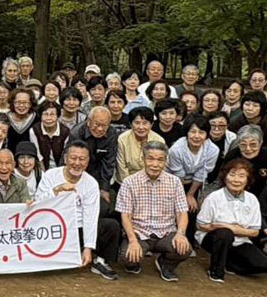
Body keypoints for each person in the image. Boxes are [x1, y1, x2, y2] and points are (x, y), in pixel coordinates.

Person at [35, 140, 121, 280]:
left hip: (78, 228)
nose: (77, 163)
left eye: (82, 159)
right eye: (73, 158)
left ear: (87, 161)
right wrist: (57, 190)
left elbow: (90, 216)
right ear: (65, 158)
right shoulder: (50, 175)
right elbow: (38, 206)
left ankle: (99, 261)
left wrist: (88, 248)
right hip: (54, 228)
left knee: (111, 225)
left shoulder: (91, 183)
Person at [116, 143, 191, 281]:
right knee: (127, 257)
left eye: (160, 159)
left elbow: (182, 212)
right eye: (150, 159)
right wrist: (132, 240)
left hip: (166, 232)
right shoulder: (129, 182)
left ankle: (165, 264)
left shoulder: (174, 182)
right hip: (139, 232)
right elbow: (125, 215)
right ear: (143, 159)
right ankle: (134, 264)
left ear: (165, 161)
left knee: (184, 249)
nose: (155, 164)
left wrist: (181, 234)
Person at [196, 158, 267, 283]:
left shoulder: (252, 199)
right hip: (213, 238)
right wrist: (223, 228)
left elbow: (254, 232)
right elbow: (201, 225)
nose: (236, 180)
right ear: (225, 177)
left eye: (241, 176)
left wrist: (233, 228)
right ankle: (215, 271)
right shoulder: (214, 197)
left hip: (240, 241)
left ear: (248, 179)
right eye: (232, 175)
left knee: (264, 264)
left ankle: (228, 264)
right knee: (225, 234)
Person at [116, 107, 164, 184]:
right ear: (131, 124)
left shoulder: (159, 140)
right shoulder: (123, 139)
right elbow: (122, 168)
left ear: (151, 124)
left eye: (145, 123)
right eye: (137, 123)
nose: (141, 127)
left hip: (152, 181)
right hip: (126, 182)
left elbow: (161, 166)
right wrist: (130, 185)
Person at [236, 125, 267, 197]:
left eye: (253, 144)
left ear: (260, 143)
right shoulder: (232, 156)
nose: (248, 149)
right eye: (243, 145)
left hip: (264, 197)